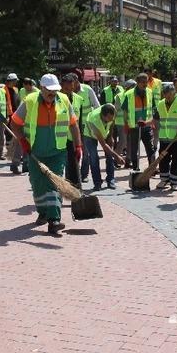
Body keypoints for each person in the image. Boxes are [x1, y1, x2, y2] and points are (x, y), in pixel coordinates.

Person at [10, 74, 82, 235]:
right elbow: (14, 123)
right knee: (38, 184)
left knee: (54, 183)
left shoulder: (64, 99)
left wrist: (78, 145)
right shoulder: (30, 101)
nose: (52, 93)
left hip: (57, 152)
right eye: (49, 90)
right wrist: (23, 141)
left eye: (55, 90)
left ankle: (54, 220)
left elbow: (73, 124)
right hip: (35, 152)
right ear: (42, 88)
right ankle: (43, 212)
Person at [82, 104, 124, 191]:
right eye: (109, 118)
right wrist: (117, 156)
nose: (111, 120)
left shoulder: (112, 111)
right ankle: (97, 183)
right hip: (90, 136)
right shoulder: (94, 121)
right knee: (94, 158)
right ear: (103, 116)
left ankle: (110, 180)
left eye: (112, 118)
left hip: (105, 133)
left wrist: (110, 136)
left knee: (109, 156)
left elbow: (112, 123)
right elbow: (104, 145)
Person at [122, 73, 157, 172]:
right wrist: (126, 124)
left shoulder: (149, 92)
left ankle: (152, 169)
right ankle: (135, 168)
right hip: (134, 127)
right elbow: (125, 110)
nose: (145, 84)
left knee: (150, 149)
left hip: (147, 126)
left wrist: (151, 122)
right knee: (134, 150)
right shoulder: (129, 94)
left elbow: (152, 108)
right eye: (143, 82)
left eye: (146, 82)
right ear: (137, 82)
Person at [154, 85, 177, 191]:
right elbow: (156, 118)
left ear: (174, 93)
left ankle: (175, 182)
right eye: (165, 95)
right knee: (163, 159)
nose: (167, 98)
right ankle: (164, 179)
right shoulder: (160, 103)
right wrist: (146, 123)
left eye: (169, 95)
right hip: (164, 136)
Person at [70, 74, 99, 183]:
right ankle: (74, 174)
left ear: (77, 81)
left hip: (87, 126)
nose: (72, 86)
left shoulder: (87, 89)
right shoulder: (68, 93)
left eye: (73, 83)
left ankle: (84, 174)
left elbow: (97, 106)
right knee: (74, 151)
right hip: (74, 126)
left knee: (86, 152)